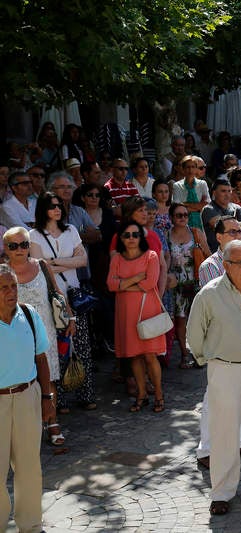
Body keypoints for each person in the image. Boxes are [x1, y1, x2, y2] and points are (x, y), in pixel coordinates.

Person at [186, 240, 241, 516]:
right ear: (226, 266)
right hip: (223, 368)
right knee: (224, 433)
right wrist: (209, 361)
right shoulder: (209, 294)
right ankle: (222, 492)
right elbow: (194, 334)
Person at [4, 227, 74, 447]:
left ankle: (52, 423)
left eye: (24, 244)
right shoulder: (3, 272)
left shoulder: (41, 265)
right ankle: (22, 428)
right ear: (6, 248)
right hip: (15, 334)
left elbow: (57, 292)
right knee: (21, 380)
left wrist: (70, 318)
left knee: (48, 377)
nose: (20, 250)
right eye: (13, 246)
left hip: (45, 329)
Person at [28, 192, 94, 414]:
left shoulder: (71, 230)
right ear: (43, 209)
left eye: (59, 206)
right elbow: (39, 267)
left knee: (82, 344)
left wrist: (54, 262)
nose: (58, 209)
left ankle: (86, 393)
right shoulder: (34, 235)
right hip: (52, 298)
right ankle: (61, 398)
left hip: (74, 294)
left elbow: (82, 260)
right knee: (57, 347)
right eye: (52, 206)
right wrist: (68, 263)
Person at [0, 264, 53, 533]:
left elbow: (41, 358)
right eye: (4, 287)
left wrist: (47, 397)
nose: (11, 292)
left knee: (29, 467)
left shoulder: (30, 316)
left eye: (13, 286)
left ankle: (31, 525)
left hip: (27, 396)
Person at [107, 222, 166, 413]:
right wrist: (135, 279)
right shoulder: (116, 259)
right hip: (127, 312)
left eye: (135, 235)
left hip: (146, 310)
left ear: (141, 237)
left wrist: (123, 285)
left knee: (150, 355)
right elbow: (110, 284)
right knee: (134, 356)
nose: (131, 238)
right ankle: (141, 394)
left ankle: (158, 394)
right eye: (126, 235)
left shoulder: (151, 256)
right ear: (121, 239)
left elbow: (150, 283)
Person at [166, 203, 210, 368]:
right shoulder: (166, 235)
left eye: (185, 214)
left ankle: (199, 353)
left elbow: (208, 254)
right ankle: (185, 354)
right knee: (180, 320)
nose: (183, 218)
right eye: (179, 215)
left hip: (196, 281)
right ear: (171, 218)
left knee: (198, 319)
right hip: (176, 284)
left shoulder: (196, 233)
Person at [201, 178, 241, 253]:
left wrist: (232, 226)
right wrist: (239, 226)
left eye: (229, 191)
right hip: (216, 253)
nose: (227, 194)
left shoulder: (237, 207)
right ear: (214, 193)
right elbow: (220, 226)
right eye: (223, 191)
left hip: (235, 252)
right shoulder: (208, 209)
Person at [171, 156, 210, 231]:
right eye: (188, 167)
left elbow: (206, 205)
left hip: (202, 222)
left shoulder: (202, 184)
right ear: (183, 169)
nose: (190, 170)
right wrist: (198, 208)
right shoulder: (177, 185)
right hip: (183, 222)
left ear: (196, 169)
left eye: (193, 167)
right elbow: (177, 208)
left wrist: (185, 204)